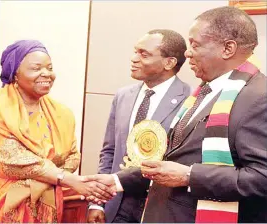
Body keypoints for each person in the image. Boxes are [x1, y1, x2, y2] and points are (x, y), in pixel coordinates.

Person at [90, 6, 267, 223]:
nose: (187, 52)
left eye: (195, 44)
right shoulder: (205, 91)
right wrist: (117, 181)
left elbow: (262, 177)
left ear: (228, 48)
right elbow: (171, 160)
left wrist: (189, 176)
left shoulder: (259, 97)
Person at [0, 40, 115, 223]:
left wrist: (59, 177)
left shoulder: (62, 113)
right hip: (5, 205)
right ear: (14, 74)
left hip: (51, 206)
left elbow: (73, 156)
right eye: (36, 68)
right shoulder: (0, 110)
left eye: (49, 68)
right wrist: (63, 178)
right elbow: (11, 158)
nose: (46, 74)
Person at [87, 29, 191, 223]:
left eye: (144, 54)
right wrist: (97, 202)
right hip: (117, 204)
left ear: (169, 62)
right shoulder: (123, 96)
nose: (134, 58)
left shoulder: (190, 100)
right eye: (135, 51)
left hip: (160, 207)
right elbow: (109, 152)